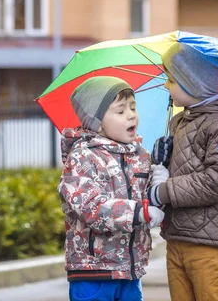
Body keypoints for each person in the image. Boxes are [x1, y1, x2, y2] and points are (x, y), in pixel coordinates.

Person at [147, 43, 218, 301]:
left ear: (194, 84)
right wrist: (161, 160)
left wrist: (164, 190)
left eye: (171, 80)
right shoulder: (181, 121)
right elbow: (183, 168)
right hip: (177, 237)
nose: (166, 86)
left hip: (209, 243)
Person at [58, 76, 168, 301]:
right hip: (93, 271)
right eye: (120, 111)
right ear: (96, 121)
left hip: (129, 270)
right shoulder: (83, 157)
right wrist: (141, 212)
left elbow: (148, 203)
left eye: (133, 108)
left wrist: (160, 181)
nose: (131, 115)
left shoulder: (140, 156)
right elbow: (90, 207)